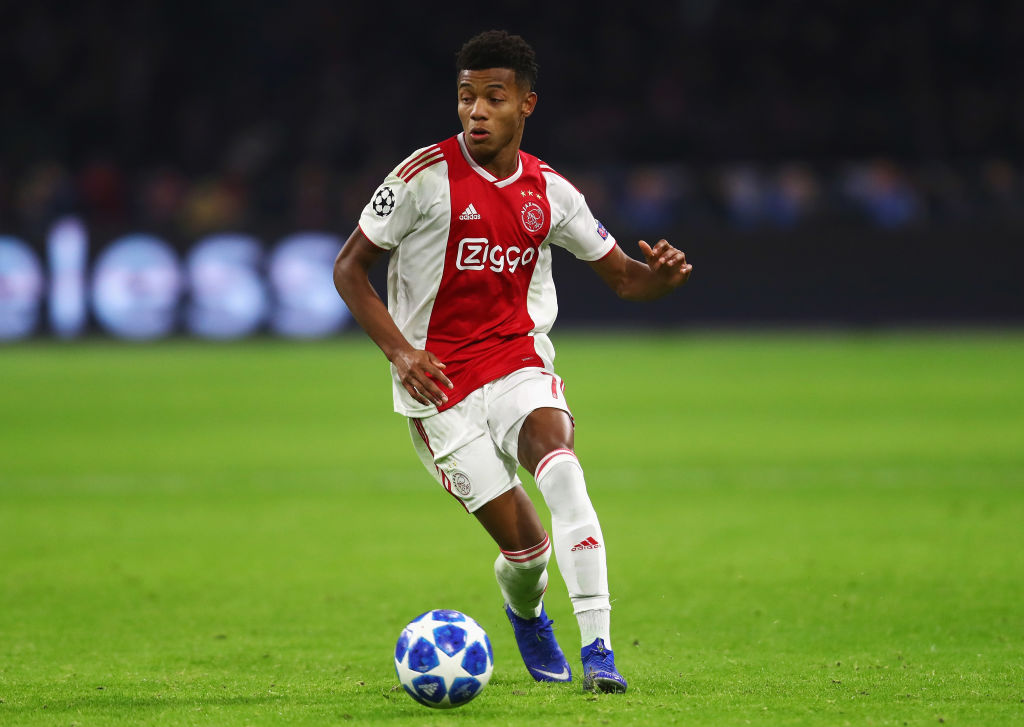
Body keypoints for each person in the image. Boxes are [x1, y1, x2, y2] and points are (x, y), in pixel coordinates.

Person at [333, 30, 692, 694]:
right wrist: (401, 352)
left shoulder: (551, 192)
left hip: (516, 365)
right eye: (466, 96)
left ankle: (600, 652)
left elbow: (625, 278)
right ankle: (525, 609)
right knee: (527, 550)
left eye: (492, 98)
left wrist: (660, 279)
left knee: (563, 471)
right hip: (438, 390)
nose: (475, 111)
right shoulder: (421, 177)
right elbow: (350, 269)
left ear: (526, 104)